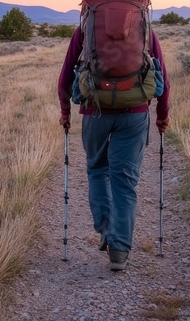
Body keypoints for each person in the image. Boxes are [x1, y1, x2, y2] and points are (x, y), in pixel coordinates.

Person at [57, 23, 170, 271]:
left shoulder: (85, 30)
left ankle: (106, 229)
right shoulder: (146, 29)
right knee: (125, 180)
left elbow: (66, 75)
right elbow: (162, 75)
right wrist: (162, 116)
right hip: (135, 114)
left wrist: (65, 112)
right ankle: (119, 250)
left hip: (94, 112)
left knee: (97, 169)